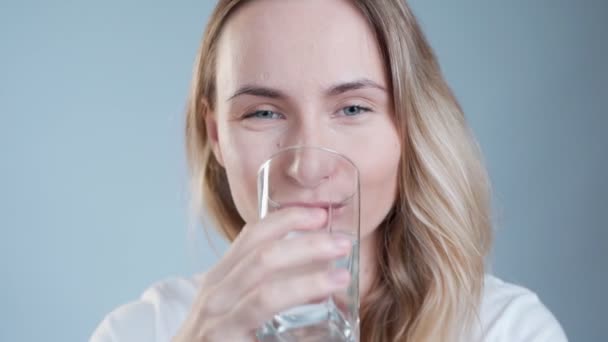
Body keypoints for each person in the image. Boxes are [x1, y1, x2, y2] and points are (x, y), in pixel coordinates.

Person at [91, 0, 568, 341]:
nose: (309, 165)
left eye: (353, 109)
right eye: (263, 113)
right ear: (216, 136)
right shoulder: (140, 331)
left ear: (409, 126)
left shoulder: (507, 329)